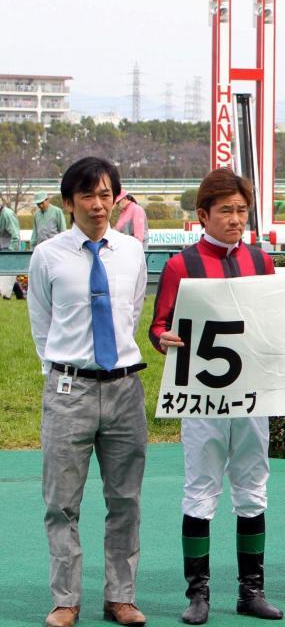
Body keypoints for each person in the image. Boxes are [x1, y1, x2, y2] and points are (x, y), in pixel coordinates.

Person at [150, 168, 283, 624]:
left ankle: (252, 591)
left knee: (253, 490)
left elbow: (275, 323)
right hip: (202, 398)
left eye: (242, 210)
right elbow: (158, 324)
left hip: (252, 397)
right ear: (203, 214)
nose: (235, 219)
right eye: (225, 210)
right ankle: (198, 595)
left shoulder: (263, 262)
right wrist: (162, 338)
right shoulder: (179, 265)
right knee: (200, 490)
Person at [27, 157, 149, 627]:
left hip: (123, 389)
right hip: (68, 390)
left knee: (125, 501)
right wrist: (59, 368)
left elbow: (131, 313)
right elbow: (42, 322)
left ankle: (121, 596)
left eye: (105, 195)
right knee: (61, 502)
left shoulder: (131, 252)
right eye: (87, 197)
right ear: (68, 203)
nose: (98, 206)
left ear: (116, 198)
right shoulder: (48, 255)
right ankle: (65, 600)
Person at [0, 200, 25, 299]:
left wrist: (11, 252)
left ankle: (6, 295)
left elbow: (15, 235)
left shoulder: (8, 215)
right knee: (8, 274)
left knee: (8, 273)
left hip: (10, 249)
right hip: (3, 247)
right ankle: (19, 295)